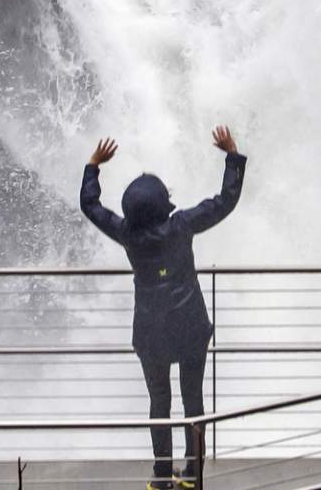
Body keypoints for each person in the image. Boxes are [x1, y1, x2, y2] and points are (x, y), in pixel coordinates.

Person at [81, 125, 247, 489]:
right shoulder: (182, 226)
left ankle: (161, 476)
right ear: (163, 203)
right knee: (193, 402)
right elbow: (225, 201)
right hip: (190, 327)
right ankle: (193, 473)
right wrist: (231, 155)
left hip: (151, 333)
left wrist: (94, 166)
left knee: (159, 403)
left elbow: (90, 206)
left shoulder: (127, 233)